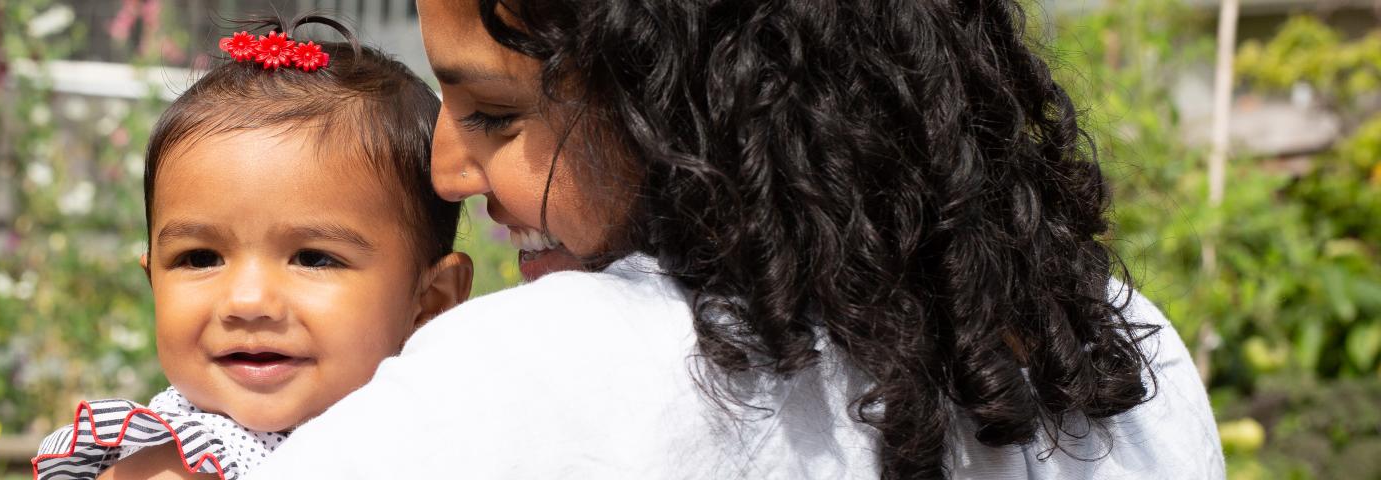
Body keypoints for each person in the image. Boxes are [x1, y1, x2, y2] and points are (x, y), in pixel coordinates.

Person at [248, 0, 1224, 478]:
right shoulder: (1122, 357)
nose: (449, 172)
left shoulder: (535, 378)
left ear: (682, 111)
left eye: (498, 116)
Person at [31, 14, 470, 480]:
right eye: (199, 258)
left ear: (431, 302)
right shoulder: (183, 466)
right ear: (153, 281)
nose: (247, 301)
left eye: (313, 258)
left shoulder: (453, 439)